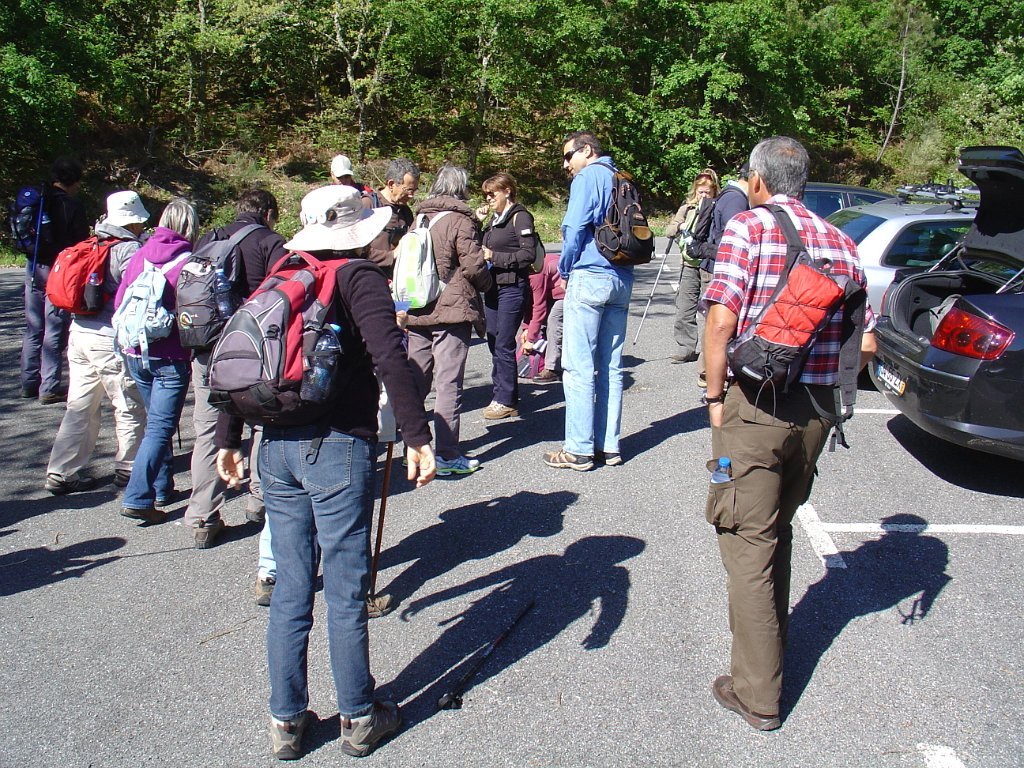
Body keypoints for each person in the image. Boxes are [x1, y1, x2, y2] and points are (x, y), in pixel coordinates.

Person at [214, 184, 436, 760]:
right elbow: (390, 358)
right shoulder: (357, 276)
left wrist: (228, 438)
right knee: (344, 587)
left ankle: (286, 723)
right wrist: (417, 436)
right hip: (337, 446)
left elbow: (241, 356)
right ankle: (358, 716)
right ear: (357, 231)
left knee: (291, 586)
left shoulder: (283, 272)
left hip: (274, 447)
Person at [701, 136, 877, 731]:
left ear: (757, 180)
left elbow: (720, 321)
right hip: (818, 415)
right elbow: (866, 342)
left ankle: (757, 694)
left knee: (745, 538)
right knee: (776, 530)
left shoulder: (748, 228)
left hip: (754, 410)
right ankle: (768, 657)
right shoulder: (842, 242)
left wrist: (714, 400)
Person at [184, 188, 287, 549]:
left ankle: (203, 517)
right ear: (268, 213)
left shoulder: (209, 239)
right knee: (262, 421)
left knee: (207, 430)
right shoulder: (270, 242)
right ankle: (260, 500)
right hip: (251, 350)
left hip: (206, 347)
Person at [44, 191, 149, 494]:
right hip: (108, 338)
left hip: (79, 333)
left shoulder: (92, 242)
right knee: (128, 404)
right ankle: (129, 467)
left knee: (80, 406)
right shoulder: (129, 249)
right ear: (133, 223)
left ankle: (62, 471)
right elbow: (138, 294)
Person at [543, 131, 633, 471]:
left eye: (569, 155)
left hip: (590, 275)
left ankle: (579, 449)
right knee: (611, 366)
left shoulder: (587, 177)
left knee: (578, 366)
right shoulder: (621, 177)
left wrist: (565, 269)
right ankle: (608, 446)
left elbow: (574, 228)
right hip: (621, 277)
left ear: (587, 150)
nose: (566, 164)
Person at [114, 198, 197, 524]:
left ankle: (162, 487)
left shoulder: (140, 254)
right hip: (170, 355)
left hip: (136, 351)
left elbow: (120, 301)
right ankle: (138, 496)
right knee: (161, 428)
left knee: (156, 424)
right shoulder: (188, 262)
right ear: (190, 226)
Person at [406, 164, 493, 475]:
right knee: (448, 384)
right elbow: (473, 266)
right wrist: (487, 283)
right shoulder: (461, 220)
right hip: (451, 310)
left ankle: (414, 448)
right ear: (461, 188)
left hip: (417, 307)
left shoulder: (419, 218)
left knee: (416, 382)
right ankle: (446, 454)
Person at [20, 157, 89, 403]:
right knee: (55, 326)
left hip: (33, 265)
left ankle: (29, 382)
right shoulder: (72, 205)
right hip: (59, 270)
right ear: (74, 181)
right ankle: (49, 385)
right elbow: (81, 242)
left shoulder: (40, 199)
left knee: (33, 326)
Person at [475, 172, 538, 420]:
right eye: (486, 195)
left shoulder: (520, 217)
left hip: (513, 287)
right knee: (493, 338)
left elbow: (528, 255)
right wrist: (478, 223)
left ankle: (506, 399)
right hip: (493, 286)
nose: (488, 198)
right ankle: (502, 391)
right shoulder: (494, 219)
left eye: (492, 193)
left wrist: (495, 257)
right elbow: (479, 245)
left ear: (507, 191)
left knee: (503, 342)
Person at [691, 163, 750, 387]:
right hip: (719, 266)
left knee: (715, 321)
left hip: (712, 263)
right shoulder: (736, 200)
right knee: (719, 322)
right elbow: (732, 241)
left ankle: (709, 372)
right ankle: (710, 373)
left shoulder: (728, 195)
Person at [664, 169, 719, 365]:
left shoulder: (717, 208)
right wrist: (681, 226)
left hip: (708, 265)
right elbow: (669, 230)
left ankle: (709, 351)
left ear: (714, 192)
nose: (703, 196)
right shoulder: (686, 209)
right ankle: (685, 348)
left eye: (707, 192)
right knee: (684, 307)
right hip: (689, 263)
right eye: (700, 192)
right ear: (695, 191)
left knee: (710, 310)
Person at [363, 158, 420, 278]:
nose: (412, 195)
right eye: (408, 190)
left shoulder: (406, 211)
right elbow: (355, 250)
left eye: (414, 190)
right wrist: (392, 255)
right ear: (391, 184)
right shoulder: (369, 205)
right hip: (370, 278)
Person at [523, 249, 565, 383]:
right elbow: (531, 302)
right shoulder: (527, 269)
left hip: (566, 291)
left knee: (554, 320)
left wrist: (530, 339)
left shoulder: (536, 271)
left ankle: (552, 368)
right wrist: (526, 328)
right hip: (551, 291)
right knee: (539, 324)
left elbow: (539, 307)